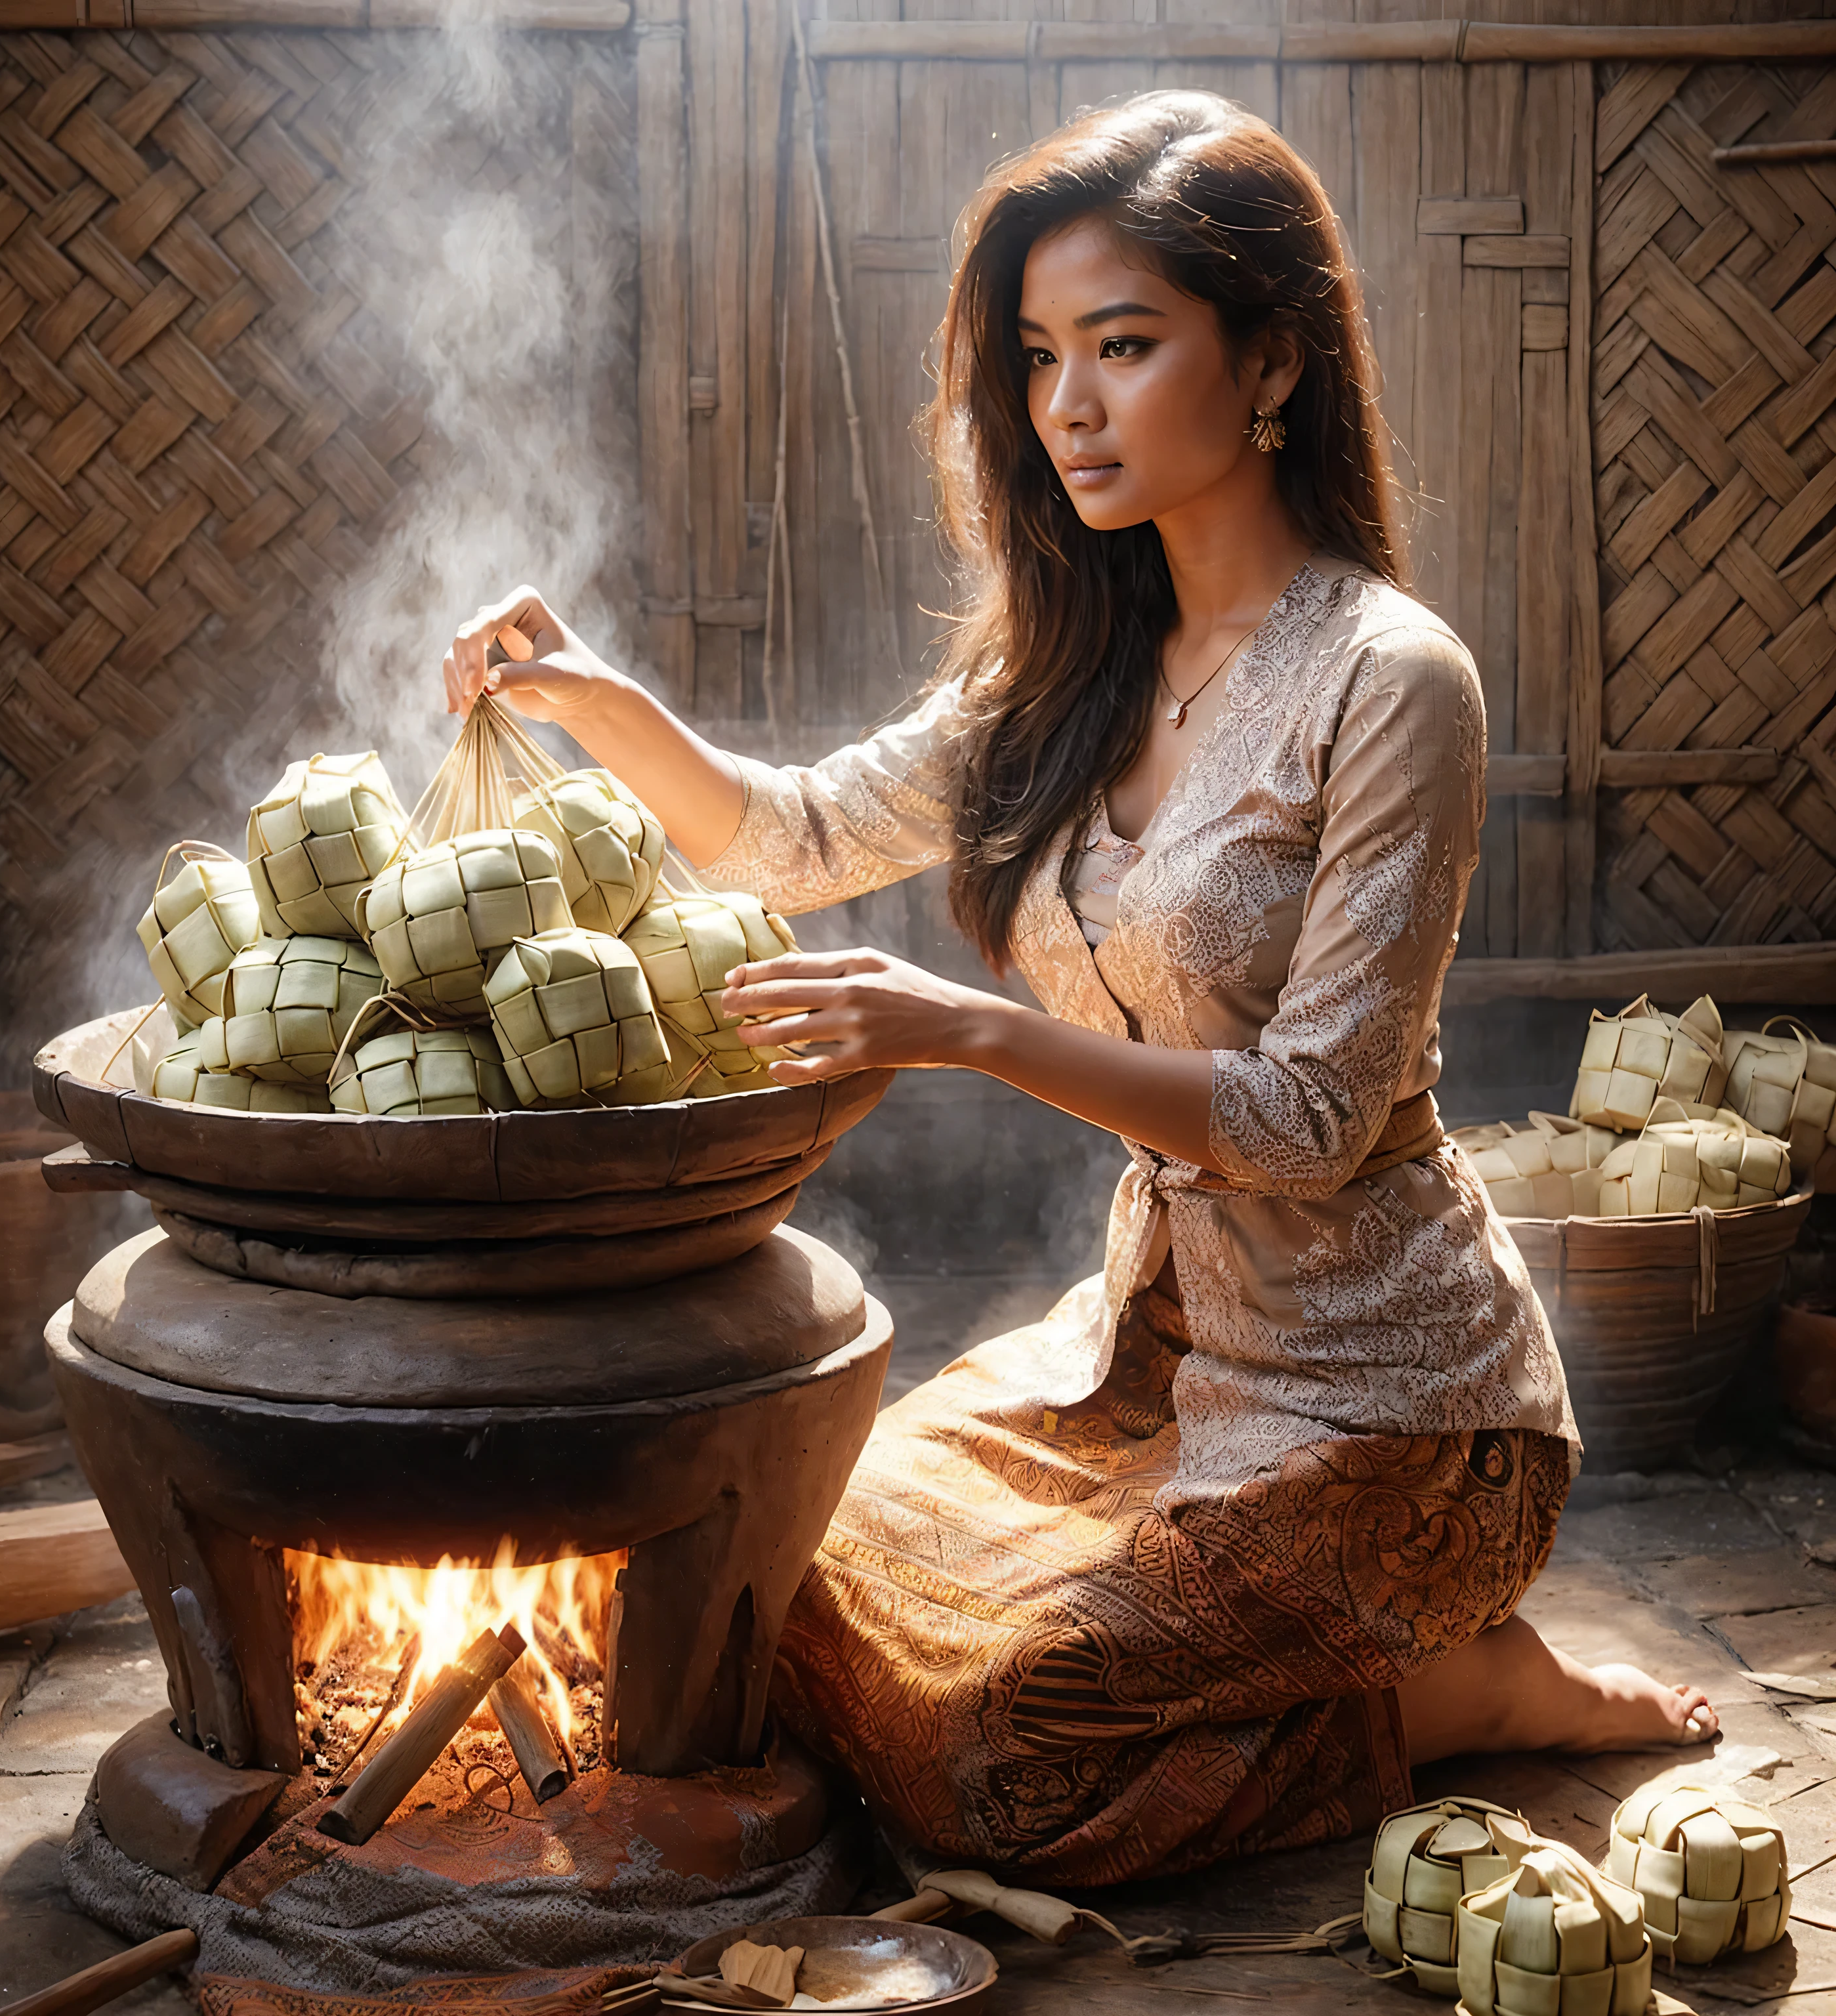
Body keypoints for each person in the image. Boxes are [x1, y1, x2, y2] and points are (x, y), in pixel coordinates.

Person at [440, 91, 1717, 1881]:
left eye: (1124, 346)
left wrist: (962, 1030)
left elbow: (1308, 1121)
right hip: (1149, 1357)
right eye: (1039, 356)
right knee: (774, 1573)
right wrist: (590, 698)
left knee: (997, 1760)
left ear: (1269, 358)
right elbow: (790, 838)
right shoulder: (1068, 663)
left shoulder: (1390, 683)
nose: (1068, 405)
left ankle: (1470, 1692)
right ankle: (1312, 1675)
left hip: (1396, 1412)